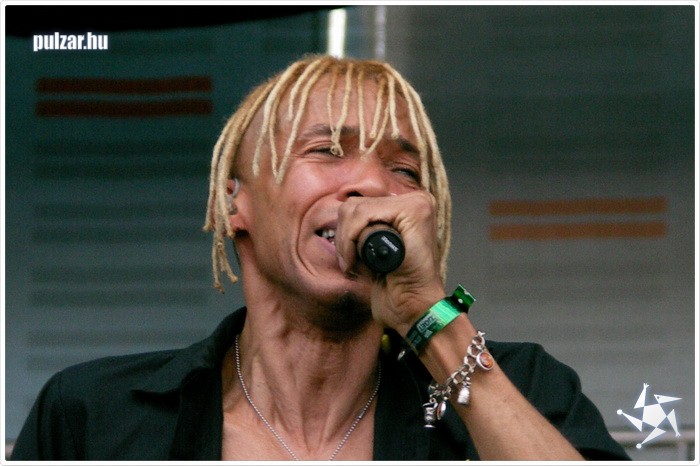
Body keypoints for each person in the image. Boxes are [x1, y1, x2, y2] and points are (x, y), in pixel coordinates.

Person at [11, 54, 630, 461]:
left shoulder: (520, 388)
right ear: (234, 204)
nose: (372, 185)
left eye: (404, 170)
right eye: (328, 151)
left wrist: (429, 317)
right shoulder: (95, 417)